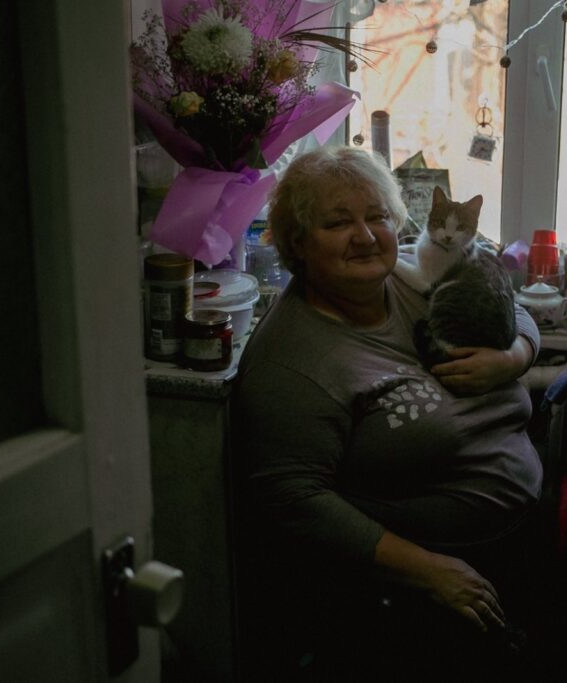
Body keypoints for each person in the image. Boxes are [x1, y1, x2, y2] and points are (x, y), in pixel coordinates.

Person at [232, 146, 544, 678]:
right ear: (298, 244)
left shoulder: (405, 277)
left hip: (515, 548)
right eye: (337, 222)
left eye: (377, 216)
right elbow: (292, 501)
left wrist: (512, 358)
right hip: (429, 588)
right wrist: (430, 572)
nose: (366, 235)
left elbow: (516, 313)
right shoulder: (291, 362)